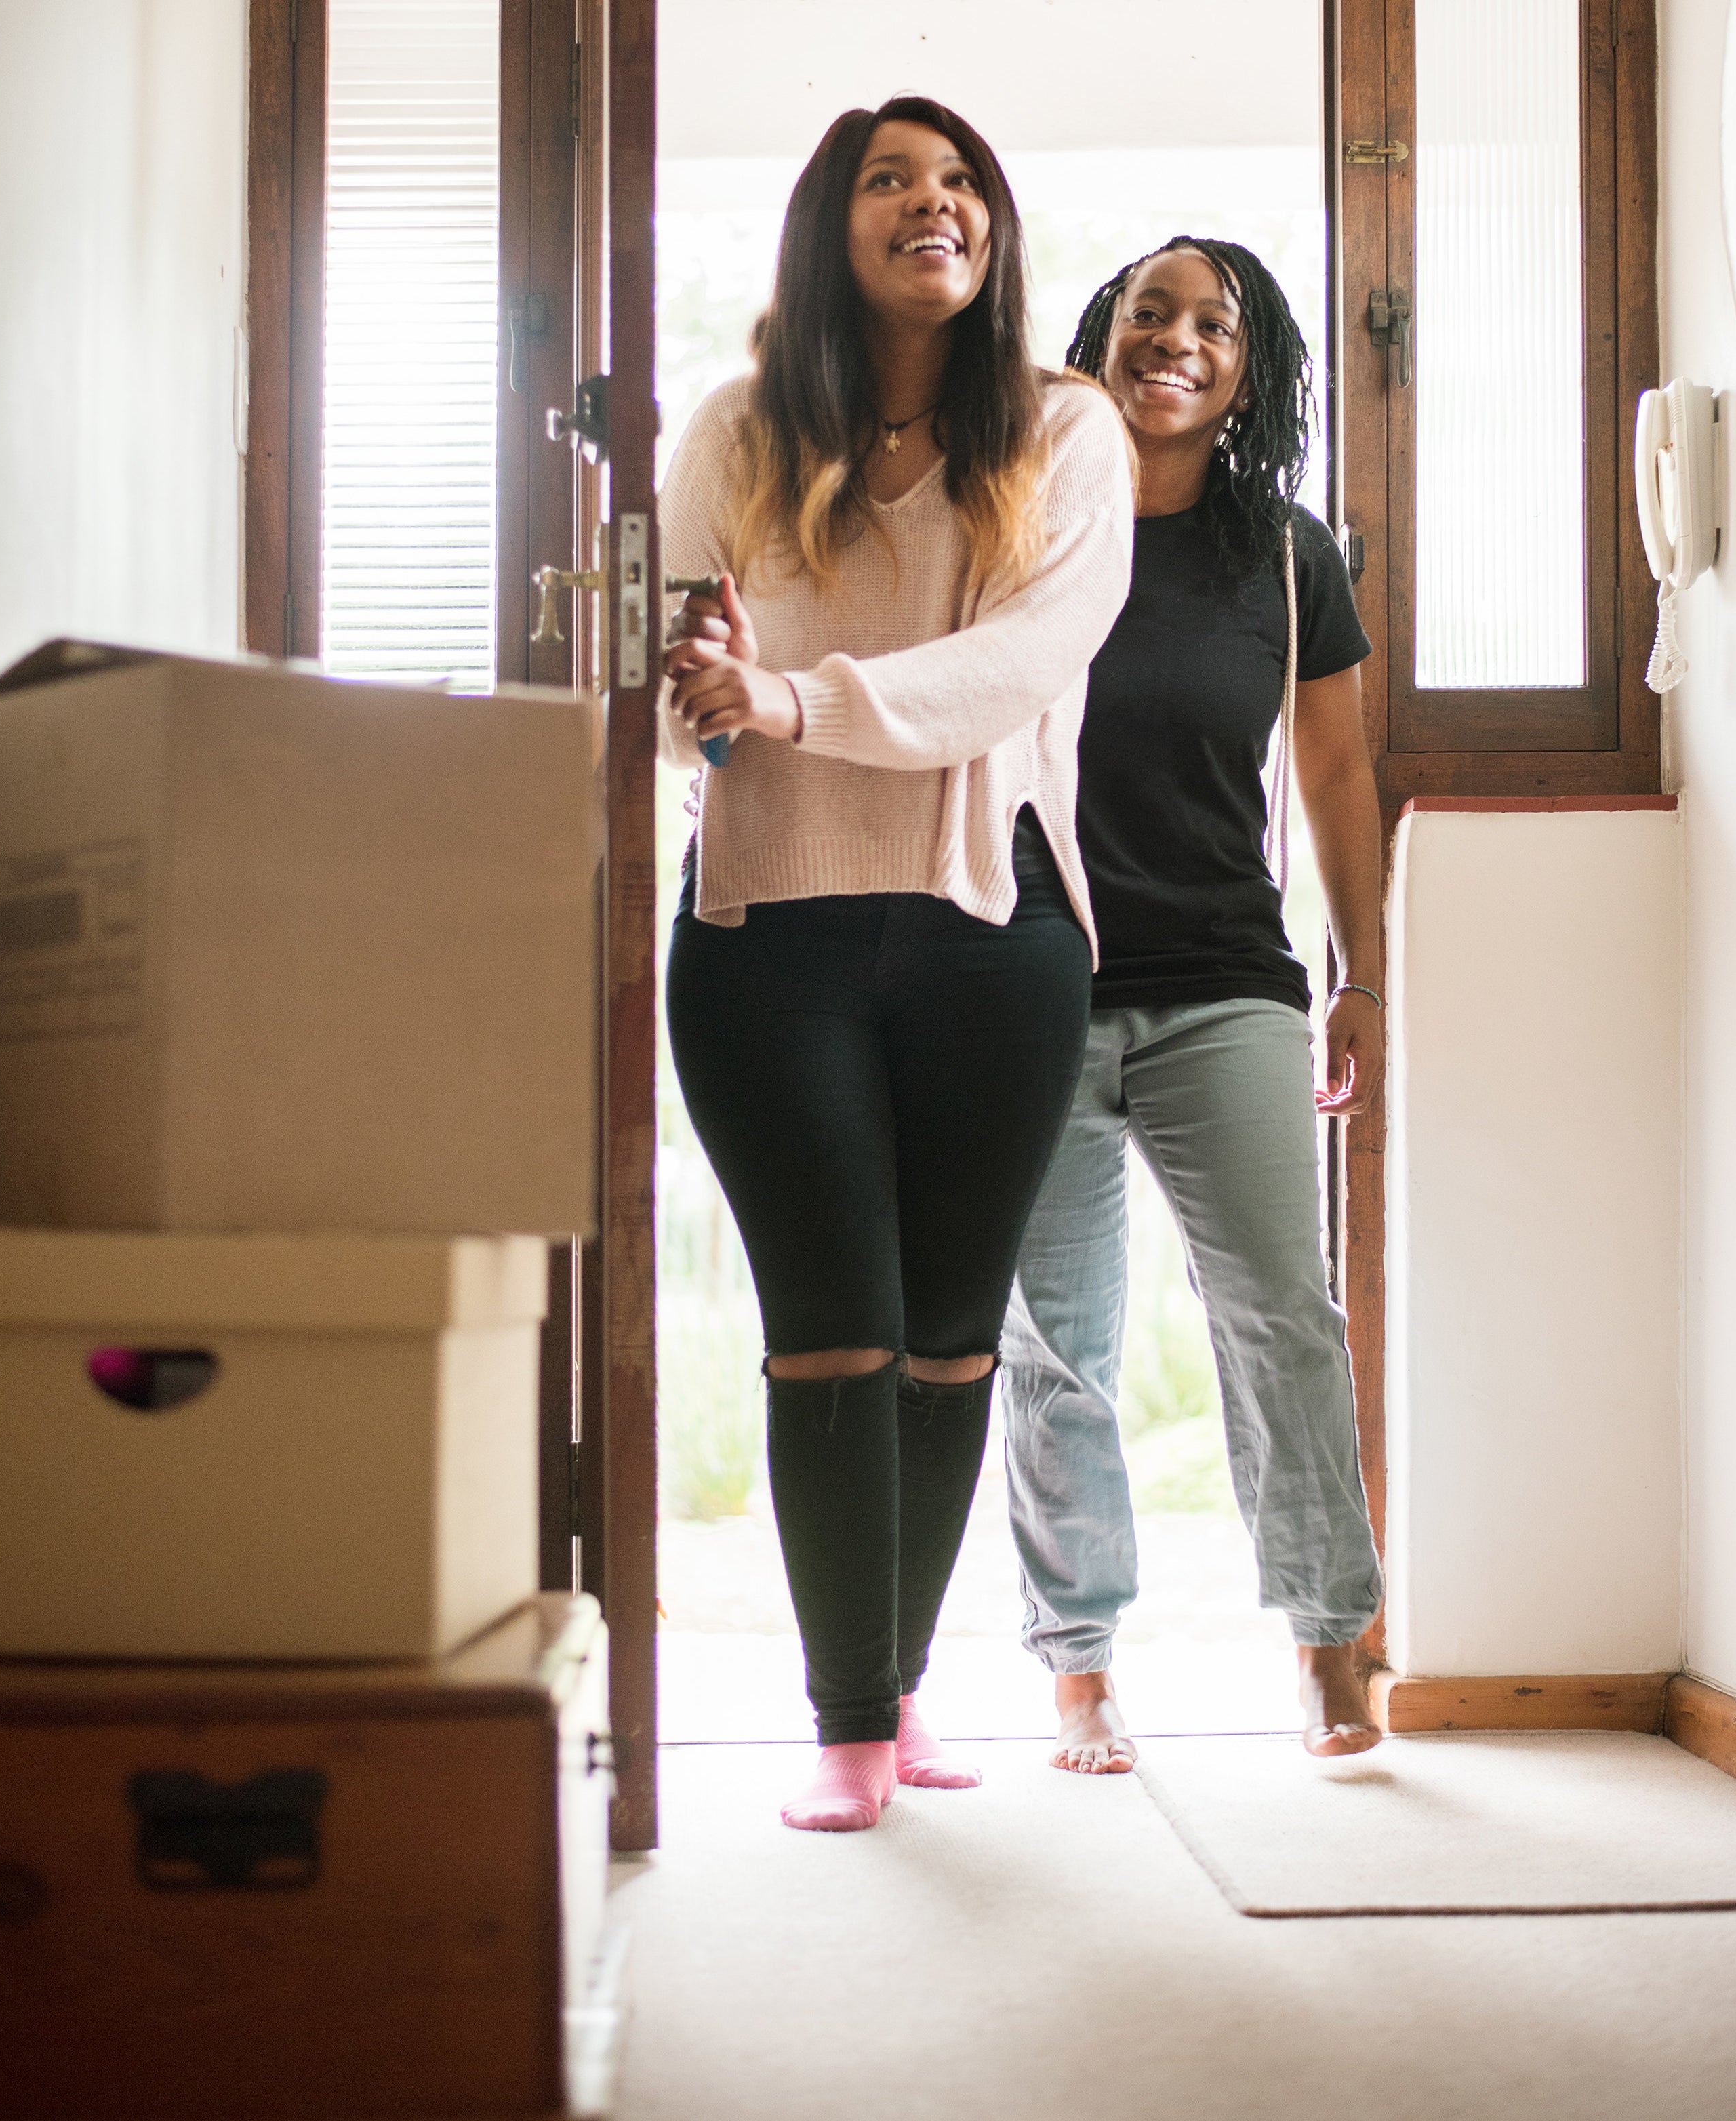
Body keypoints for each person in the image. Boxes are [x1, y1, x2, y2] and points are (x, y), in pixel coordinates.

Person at [658, 98, 1133, 1832]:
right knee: (829, 1337)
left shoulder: (1064, 433)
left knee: (946, 1343)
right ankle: (847, 1717)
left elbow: (1027, 657)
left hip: (992, 936)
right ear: (830, 227)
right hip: (762, 928)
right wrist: (699, 696)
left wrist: (792, 699)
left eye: (959, 184)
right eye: (890, 181)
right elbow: (675, 678)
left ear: (991, 233)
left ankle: (901, 1676)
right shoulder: (730, 429)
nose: (932, 204)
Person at [1003, 236, 1387, 1773]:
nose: (1175, 338)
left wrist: (1363, 971)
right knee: (1054, 1343)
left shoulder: (1285, 555)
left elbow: (1339, 772)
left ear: (1249, 365)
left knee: (1281, 1315)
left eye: (1210, 322)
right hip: (1030, 978)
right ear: (1097, 338)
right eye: (1147, 311)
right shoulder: (1021, 524)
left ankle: (1326, 1638)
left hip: (1226, 980)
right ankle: (1079, 1663)